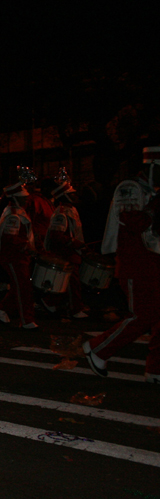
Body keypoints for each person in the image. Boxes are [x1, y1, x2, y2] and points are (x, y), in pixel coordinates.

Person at [85, 147, 160, 384]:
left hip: (153, 262)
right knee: (143, 315)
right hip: (135, 263)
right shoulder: (130, 188)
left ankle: (155, 370)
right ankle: (98, 348)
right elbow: (134, 221)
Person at [0, 168, 38, 329]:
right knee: (23, 287)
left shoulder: (17, 212)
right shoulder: (13, 214)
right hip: (13, 256)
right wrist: (27, 246)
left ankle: (1, 309)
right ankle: (27, 320)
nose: (26, 201)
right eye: (23, 198)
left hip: (19, 256)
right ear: (16, 199)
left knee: (22, 286)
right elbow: (10, 239)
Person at [42, 168, 88, 318]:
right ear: (65, 196)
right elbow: (57, 236)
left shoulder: (71, 209)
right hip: (65, 252)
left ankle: (52, 303)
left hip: (71, 251)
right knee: (72, 281)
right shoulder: (62, 213)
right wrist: (74, 244)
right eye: (71, 194)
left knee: (67, 281)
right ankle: (74, 309)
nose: (75, 195)